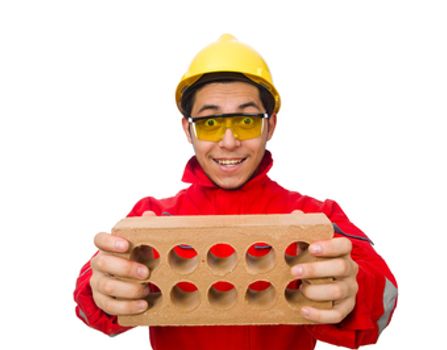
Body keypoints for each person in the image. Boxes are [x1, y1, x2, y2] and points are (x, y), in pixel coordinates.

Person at [73, 34, 400, 349]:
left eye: (245, 121)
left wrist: (354, 286)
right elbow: (90, 304)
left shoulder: (316, 216)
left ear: (269, 126)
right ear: (188, 130)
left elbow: (383, 299)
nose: (229, 141)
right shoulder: (154, 216)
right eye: (210, 123)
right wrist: (100, 286)